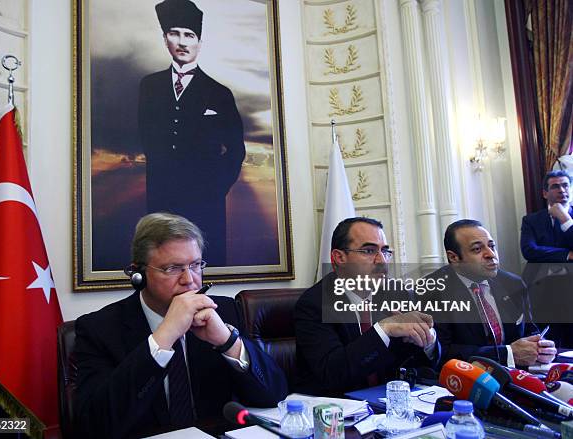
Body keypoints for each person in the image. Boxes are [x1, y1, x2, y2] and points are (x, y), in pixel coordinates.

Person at [73, 213, 287, 439]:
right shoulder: (99, 328)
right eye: (172, 268)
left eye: (195, 265)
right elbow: (93, 425)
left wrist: (227, 342)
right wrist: (164, 336)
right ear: (139, 274)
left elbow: (274, 395)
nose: (189, 280)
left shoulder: (221, 311)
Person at [138, 0, 246, 266]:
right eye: (175, 33)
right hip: (161, 201)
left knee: (203, 270)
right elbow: (147, 138)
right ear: (165, 39)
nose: (182, 42)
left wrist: (215, 189)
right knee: (160, 269)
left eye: (190, 35)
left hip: (205, 205)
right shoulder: (149, 87)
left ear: (199, 41)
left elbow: (236, 150)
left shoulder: (219, 93)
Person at [294, 217, 439, 396]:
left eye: (385, 251)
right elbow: (333, 373)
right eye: (369, 251)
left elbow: (422, 364)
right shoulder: (314, 304)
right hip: (338, 411)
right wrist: (384, 329)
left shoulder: (398, 294)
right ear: (339, 257)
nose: (382, 261)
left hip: (391, 406)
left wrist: (428, 340)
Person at [426, 219, 557, 367]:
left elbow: (529, 329)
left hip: (519, 375)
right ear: (454, 257)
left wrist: (539, 347)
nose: (490, 254)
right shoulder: (432, 291)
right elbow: (441, 351)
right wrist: (507, 354)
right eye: (477, 249)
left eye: (491, 246)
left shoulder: (513, 283)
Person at [520, 170, 573, 263]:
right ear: (545, 194)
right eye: (555, 186)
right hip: (541, 275)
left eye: (565, 185)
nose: (562, 190)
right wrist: (567, 254)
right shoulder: (531, 220)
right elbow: (529, 250)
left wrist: (565, 219)